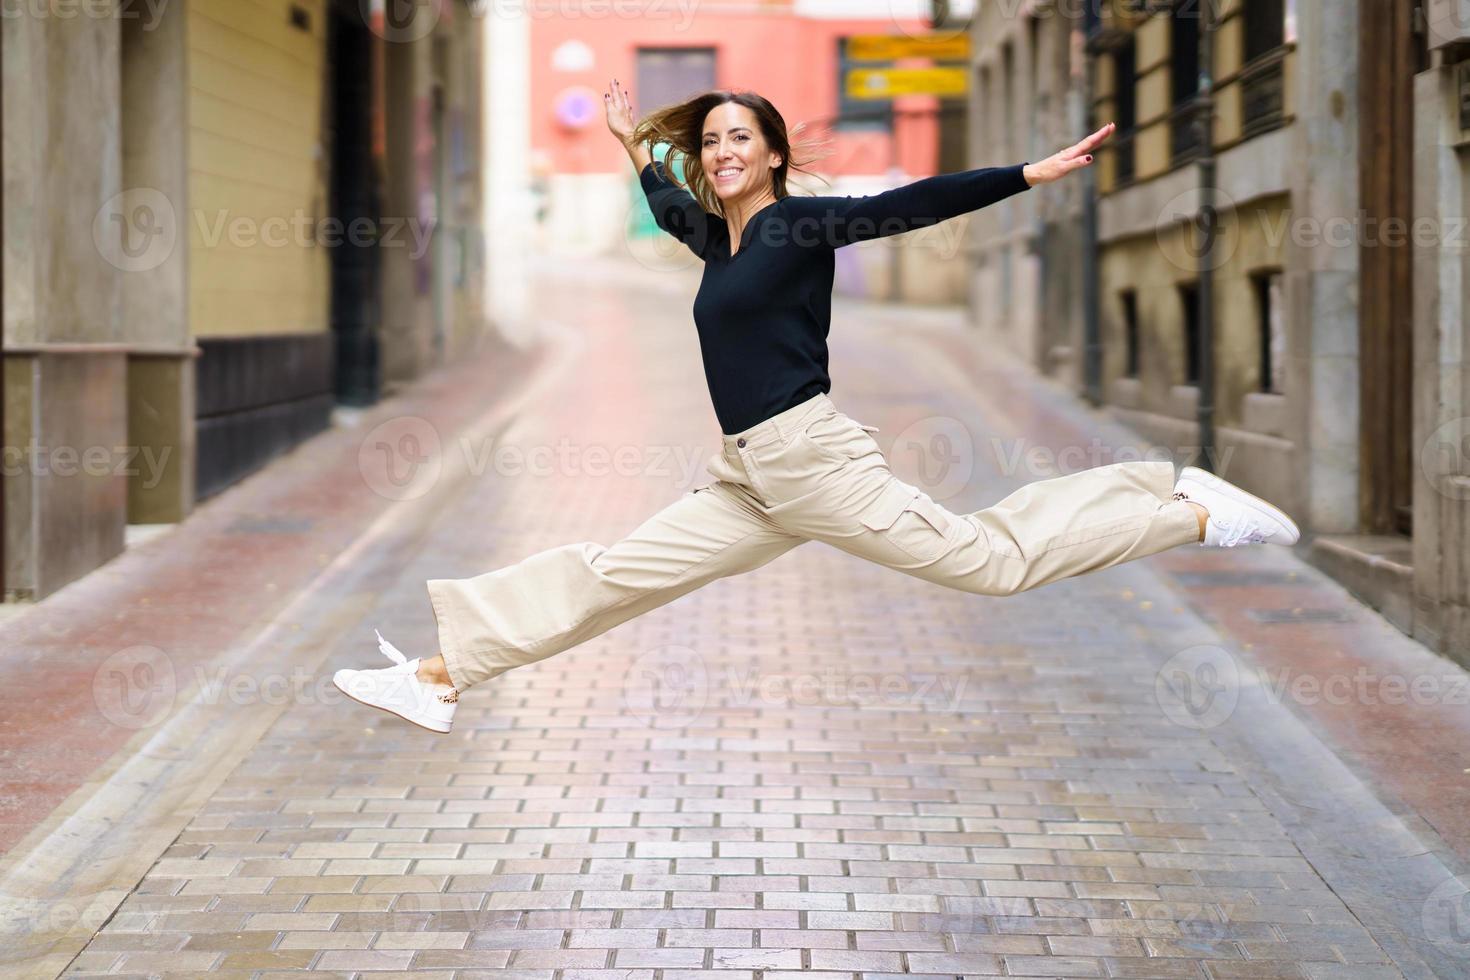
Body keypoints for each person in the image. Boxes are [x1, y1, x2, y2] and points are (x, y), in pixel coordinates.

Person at [332, 82, 1299, 734]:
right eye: (709, 142)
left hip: (813, 464)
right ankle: (440, 675)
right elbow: (671, 207)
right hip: (748, 477)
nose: (718, 154)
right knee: (618, 575)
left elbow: (911, 203)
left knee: (991, 563)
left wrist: (1026, 176)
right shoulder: (725, 239)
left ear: (774, 152)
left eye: (737, 139)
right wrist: (638, 145)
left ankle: (1188, 511)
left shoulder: (798, 223)